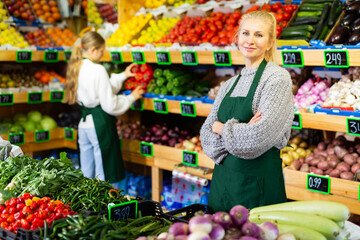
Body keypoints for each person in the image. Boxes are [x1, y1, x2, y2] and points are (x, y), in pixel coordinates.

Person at [200, 11, 294, 212]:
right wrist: (239, 131)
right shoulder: (229, 84)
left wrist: (222, 128)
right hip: (222, 185)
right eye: (245, 33)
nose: (250, 40)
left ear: (270, 42)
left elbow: (256, 139)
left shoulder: (276, 79)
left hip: (258, 189)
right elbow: (206, 136)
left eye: (259, 35)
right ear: (237, 38)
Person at [63, 31, 144, 183]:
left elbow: (102, 89)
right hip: (99, 123)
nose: (102, 54)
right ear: (93, 49)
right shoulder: (97, 69)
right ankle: (105, 204)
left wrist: (123, 75)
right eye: (101, 51)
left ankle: (85, 203)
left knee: (86, 171)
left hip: (84, 124)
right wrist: (131, 97)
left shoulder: (77, 67)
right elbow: (110, 104)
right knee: (104, 171)